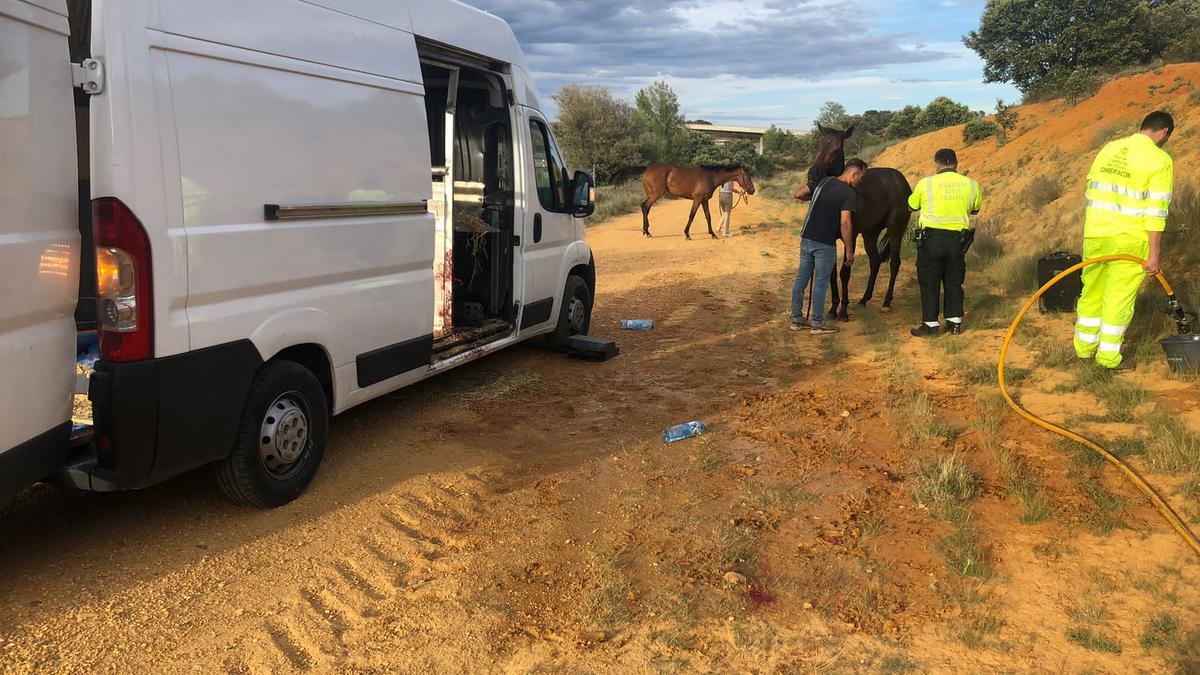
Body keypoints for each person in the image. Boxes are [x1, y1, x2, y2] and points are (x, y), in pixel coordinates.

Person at [1074, 111, 1175, 372]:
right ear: (1163, 132)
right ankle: (1108, 358)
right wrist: (1154, 255)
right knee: (1118, 298)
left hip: (1095, 234)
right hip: (1129, 240)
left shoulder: (1110, 148)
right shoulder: (1159, 160)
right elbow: (1156, 212)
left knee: (1092, 292)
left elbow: (1091, 188)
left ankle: (1084, 349)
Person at [907, 148, 983, 337]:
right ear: (956, 164)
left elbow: (911, 206)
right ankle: (955, 322)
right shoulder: (972, 185)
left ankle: (931, 325)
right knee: (954, 281)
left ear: (936, 164)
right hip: (957, 242)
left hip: (931, 241)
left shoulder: (926, 183)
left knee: (929, 281)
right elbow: (975, 209)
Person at [791, 158, 866, 335]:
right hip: (824, 242)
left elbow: (798, 194)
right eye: (861, 178)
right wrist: (849, 250)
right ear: (854, 174)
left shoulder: (824, 181)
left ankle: (796, 320)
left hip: (807, 237)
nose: (860, 182)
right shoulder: (849, 194)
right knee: (820, 283)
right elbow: (845, 223)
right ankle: (817, 323)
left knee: (802, 278)